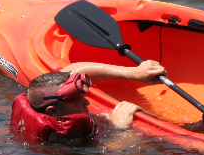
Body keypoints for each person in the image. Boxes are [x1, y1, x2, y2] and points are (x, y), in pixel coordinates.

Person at [10, 60, 166, 145]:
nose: (86, 103)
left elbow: (75, 70)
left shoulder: (45, 102)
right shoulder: (65, 138)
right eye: (78, 101)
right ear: (53, 111)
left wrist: (133, 73)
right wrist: (120, 128)